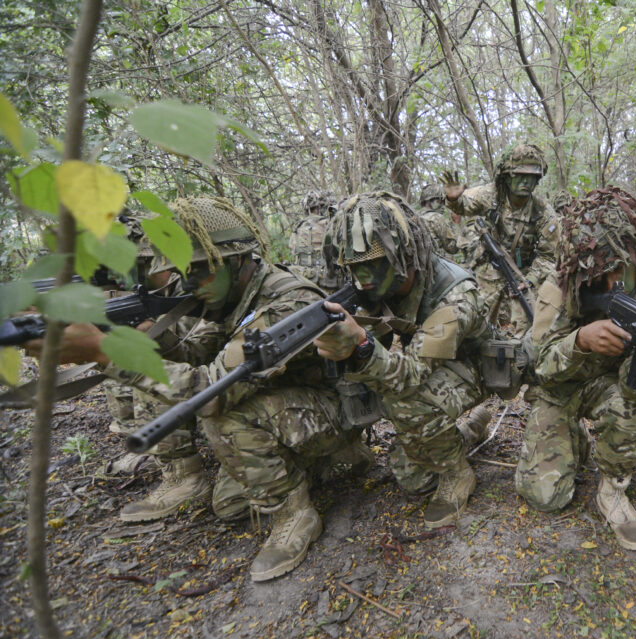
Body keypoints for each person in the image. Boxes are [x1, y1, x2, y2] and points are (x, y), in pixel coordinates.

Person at [32, 196, 369, 581]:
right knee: (228, 506)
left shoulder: (283, 302)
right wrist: (145, 338)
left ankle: (297, 514)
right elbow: (193, 353)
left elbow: (213, 389)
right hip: (286, 404)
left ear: (238, 260)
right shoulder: (228, 298)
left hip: (332, 408)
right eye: (182, 272)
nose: (188, 284)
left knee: (224, 418)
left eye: (200, 271)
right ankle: (300, 465)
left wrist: (105, 354)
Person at [515, 187, 636, 551]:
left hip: (609, 389)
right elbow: (538, 365)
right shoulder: (556, 292)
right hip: (557, 391)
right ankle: (573, 434)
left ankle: (612, 488)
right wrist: (580, 341)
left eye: (622, 270)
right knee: (545, 497)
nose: (613, 283)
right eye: (601, 272)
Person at [315, 192, 492, 528]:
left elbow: (409, 374)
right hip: (430, 365)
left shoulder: (455, 295)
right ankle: (467, 433)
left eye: (373, 263)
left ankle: (457, 473)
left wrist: (363, 344)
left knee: (407, 402)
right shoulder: (378, 285)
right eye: (353, 266)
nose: (361, 276)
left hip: (477, 365)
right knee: (412, 477)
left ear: (403, 253)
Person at [442, 143, 559, 334]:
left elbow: (549, 256)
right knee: (478, 317)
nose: (526, 182)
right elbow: (465, 206)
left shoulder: (543, 212)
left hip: (523, 272)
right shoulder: (491, 194)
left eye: (532, 177)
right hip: (489, 267)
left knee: (528, 322)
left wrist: (529, 280)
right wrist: (455, 199)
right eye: (520, 176)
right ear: (507, 176)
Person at [287, 190, 336, 287]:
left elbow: (292, 249)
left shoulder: (298, 227)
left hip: (302, 281)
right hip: (327, 281)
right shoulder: (328, 224)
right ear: (321, 208)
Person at [418, 184, 460, 261]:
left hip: (419, 264)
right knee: (465, 273)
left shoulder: (414, 216)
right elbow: (453, 248)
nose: (442, 205)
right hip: (433, 264)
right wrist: (456, 224)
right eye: (439, 201)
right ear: (429, 201)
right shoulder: (436, 218)